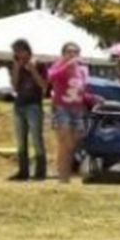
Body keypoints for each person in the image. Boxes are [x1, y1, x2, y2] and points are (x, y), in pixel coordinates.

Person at [46, 43, 91, 184]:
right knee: (64, 142)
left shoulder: (83, 70)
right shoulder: (58, 66)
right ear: (63, 53)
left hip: (77, 109)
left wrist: (93, 99)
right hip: (62, 108)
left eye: (75, 52)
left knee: (71, 145)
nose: (72, 54)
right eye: (69, 51)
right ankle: (63, 177)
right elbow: (51, 78)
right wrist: (66, 65)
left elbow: (82, 91)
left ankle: (66, 174)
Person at [6, 39, 48, 182]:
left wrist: (33, 70)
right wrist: (17, 68)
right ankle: (23, 172)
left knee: (36, 139)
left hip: (34, 106)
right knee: (20, 140)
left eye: (19, 51)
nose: (17, 54)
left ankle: (40, 172)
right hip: (19, 105)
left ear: (26, 50)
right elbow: (14, 86)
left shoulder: (39, 64)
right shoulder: (16, 65)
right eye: (15, 52)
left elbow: (44, 85)